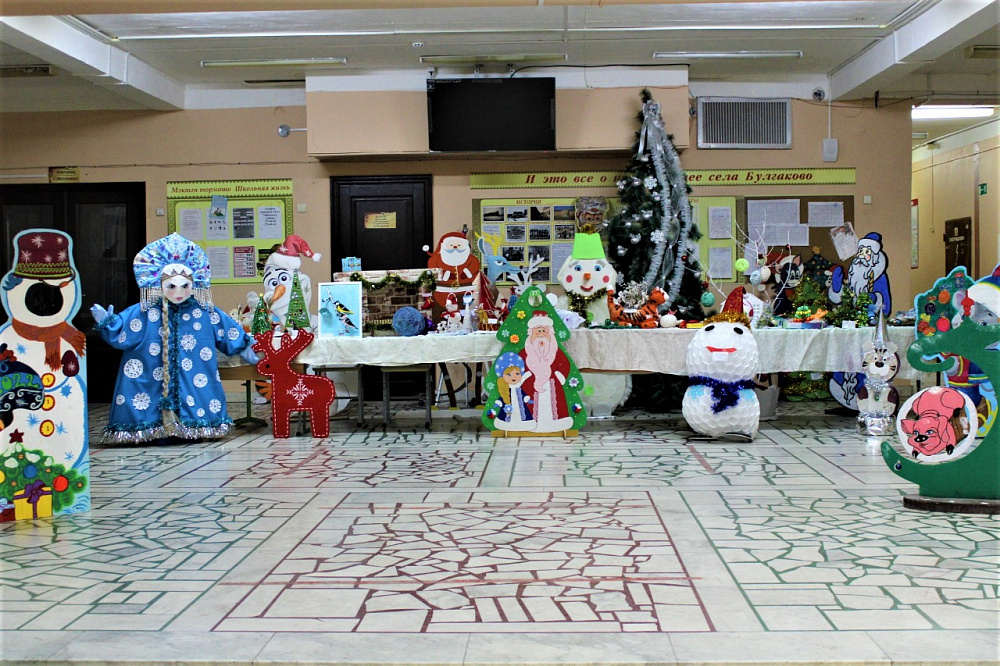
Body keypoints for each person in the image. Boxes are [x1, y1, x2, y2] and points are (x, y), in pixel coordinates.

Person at [92, 233, 258, 443]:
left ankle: (192, 427)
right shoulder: (144, 311)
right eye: (171, 286)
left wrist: (255, 352)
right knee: (145, 391)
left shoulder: (205, 311)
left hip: (196, 375)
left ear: (194, 284)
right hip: (150, 371)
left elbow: (231, 334)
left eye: (185, 286)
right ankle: (150, 430)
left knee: (199, 389)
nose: (178, 292)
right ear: (158, 284)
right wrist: (107, 321)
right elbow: (121, 331)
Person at [519, 311, 575, 432]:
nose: (540, 334)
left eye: (543, 331)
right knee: (531, 404)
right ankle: (532, 422)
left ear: (549, 332)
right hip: (531, 383)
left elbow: (564, 363)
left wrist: (560, 374)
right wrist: (525, 375)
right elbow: (519, 363)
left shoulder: (555, 350)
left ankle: (555, 422)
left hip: (552, 383)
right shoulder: (526, 352)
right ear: (532, 333)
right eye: (537, 331)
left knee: (555, 403)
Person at [491, 352, 534, 432]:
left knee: (522, 414)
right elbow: (502, 398)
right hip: (508, 408)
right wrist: (498, 403)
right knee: (507, 415)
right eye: (509, 375)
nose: (514, 377)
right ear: (503, 376)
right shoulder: (505, 389)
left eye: (517, 374)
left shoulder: (518, 389)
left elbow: (523, 395)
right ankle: (507, 425)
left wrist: (527, 399)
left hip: (520, 408)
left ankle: (523, 425)